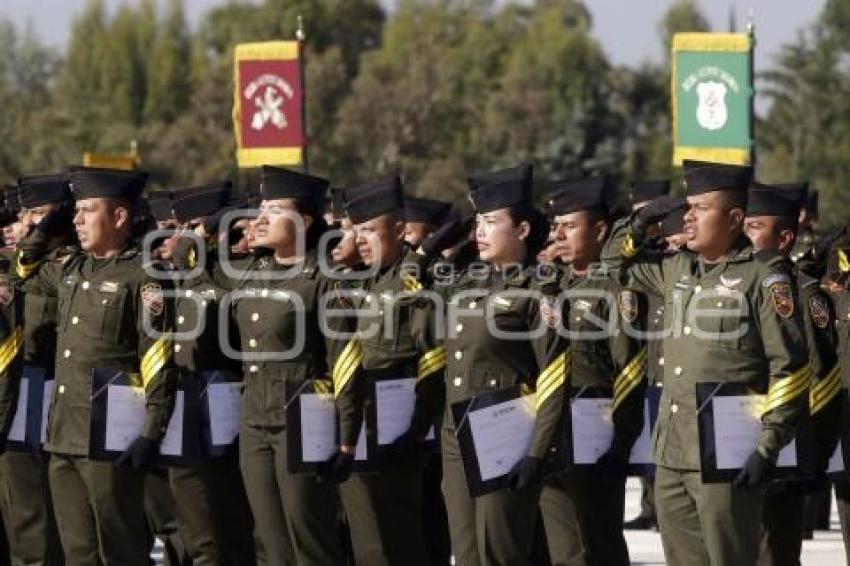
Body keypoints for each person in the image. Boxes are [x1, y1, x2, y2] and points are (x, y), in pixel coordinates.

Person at [600, 159, 809, 566]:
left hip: (727, 455)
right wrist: (642, 220)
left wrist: (767, 449)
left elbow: (790, 368)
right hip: (672, 453)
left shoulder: (764, 278)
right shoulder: (676, 268)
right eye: (686, 207)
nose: (687, 216)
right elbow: (610, 265)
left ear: (734, 218)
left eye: (700, 208)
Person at [17, 166, 179, 565]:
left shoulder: (144, 276)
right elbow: (24, 269)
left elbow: (157, 357)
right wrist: (52, 221)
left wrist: (151, 432)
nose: (78, 219)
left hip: (109, 435)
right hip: (62, 435)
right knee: (79, 551)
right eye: (76, 211)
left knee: (119, 546)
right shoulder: (72, 271)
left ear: (120, 217)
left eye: (87, 210)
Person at [431, 163, 569, 565]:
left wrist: (536, 453)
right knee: (467, 552)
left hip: (505, 435)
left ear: (522, 230)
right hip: (456, 433)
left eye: (491, 222)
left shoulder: (539, 291)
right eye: (477, 222)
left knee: (500, 552)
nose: (480, 232)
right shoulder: (467, 283)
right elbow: (414, 275)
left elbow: (554, 377)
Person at [222, 165, 358, 565]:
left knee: (309, 540)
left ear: (305, 220)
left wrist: (347, 438)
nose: (260, 219)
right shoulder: (250, 272)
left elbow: (345, 361)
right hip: (254, 420)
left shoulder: (323, 279)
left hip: (303, 419)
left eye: (274, 210)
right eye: (260, 210)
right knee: (270, 542)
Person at [539, 176, 646, 566]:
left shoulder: (616, 289)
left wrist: (620, 443)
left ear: (599, 230)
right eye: (556, 227)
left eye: (569, 226)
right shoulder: (551, 283)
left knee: (600, 543)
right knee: (563, 550)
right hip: (550, 435)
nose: (559, 235)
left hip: (596, 439)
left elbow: (630, 370)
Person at [337, 176, 440, 566]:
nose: (361, 240)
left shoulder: (413, 284)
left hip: (397, 429)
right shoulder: (360, 280)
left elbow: (432, 359)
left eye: (370, 231)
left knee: (397, 539)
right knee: (366, 542)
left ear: (399, 229)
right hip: (357, 424)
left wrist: (416, 431)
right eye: (356, 230)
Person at [744, 181, 841, 566]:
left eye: (755, 226)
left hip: (785, 446)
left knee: (774, 552)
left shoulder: (802, 293)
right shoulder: (735, 285)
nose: (744, 234)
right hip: (736, 439)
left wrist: (813, 455)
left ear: (784, 237)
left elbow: (824, 377)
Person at [166, 184, 258, 565]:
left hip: (224, 399)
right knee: (192, 516)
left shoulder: (237, 273)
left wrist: (207, 232)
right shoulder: (180, 274)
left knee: (228, 513)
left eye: (191, 224)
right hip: (183, 398)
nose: (180, 234)